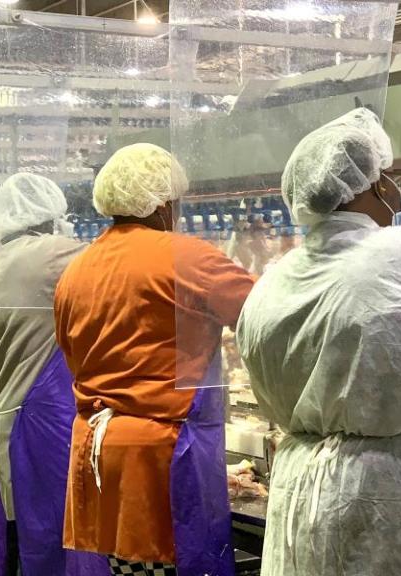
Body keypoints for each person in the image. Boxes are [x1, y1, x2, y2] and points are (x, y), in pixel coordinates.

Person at [235, 108, 401, 576]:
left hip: (302, 487)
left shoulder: (272, 281)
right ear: (375, 185)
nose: (395, 188)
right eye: (387, 175)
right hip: (398, 489)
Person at [54, 143, 255, 576]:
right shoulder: (185, 256)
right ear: (165, 204)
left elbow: (73, 355)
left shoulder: (77, 269)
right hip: (163, 454)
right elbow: (267, 314)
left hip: (99, 450)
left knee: (130, 570)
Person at [0, 173, 108, 575]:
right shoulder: (52, 254)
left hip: (12, 413)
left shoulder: (1, 259)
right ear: (48, 213)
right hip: (40, 417)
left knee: (25, 536)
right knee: (56, 534)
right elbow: (117, 267)